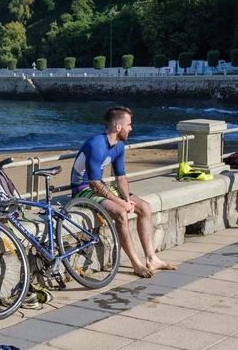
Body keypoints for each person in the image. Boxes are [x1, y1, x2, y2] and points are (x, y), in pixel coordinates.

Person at [70, 106, 176, 278]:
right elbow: (94, 184)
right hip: (82, 189)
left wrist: (127, 198)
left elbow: (120, 177)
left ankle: (152, 259)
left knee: (145, 207)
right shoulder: (95, 145)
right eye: (129, 125)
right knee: (120, 213)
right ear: (118, 127)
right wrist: (121, 203)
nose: (131, 128)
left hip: (98, 185)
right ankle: (136, 263)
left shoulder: (119, 146)